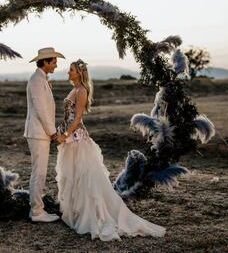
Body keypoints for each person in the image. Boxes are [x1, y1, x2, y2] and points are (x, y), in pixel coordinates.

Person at [55, 59, 166, 241]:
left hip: (77, 139)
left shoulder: (81, 90)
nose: (68, 72)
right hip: (70, 138)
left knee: (85, 178)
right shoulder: (74, 89)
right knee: (74, 176)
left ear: (80, 73)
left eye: (72, 70)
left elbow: (78, 119)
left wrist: (64, 135)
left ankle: (93, 216)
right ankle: (77, 214)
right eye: (69, 70)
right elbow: (69, 115)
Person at [23, 47, 65, 222]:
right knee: (38, 173)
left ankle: (37, 209)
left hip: (40, 133)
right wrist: (53, 133)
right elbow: (41, 110)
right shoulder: (36, 81)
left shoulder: (42, 79)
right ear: (46, 62)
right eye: (54, 61)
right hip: (38, 133)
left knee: (39, 172)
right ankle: (37, 212)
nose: (56, 64)